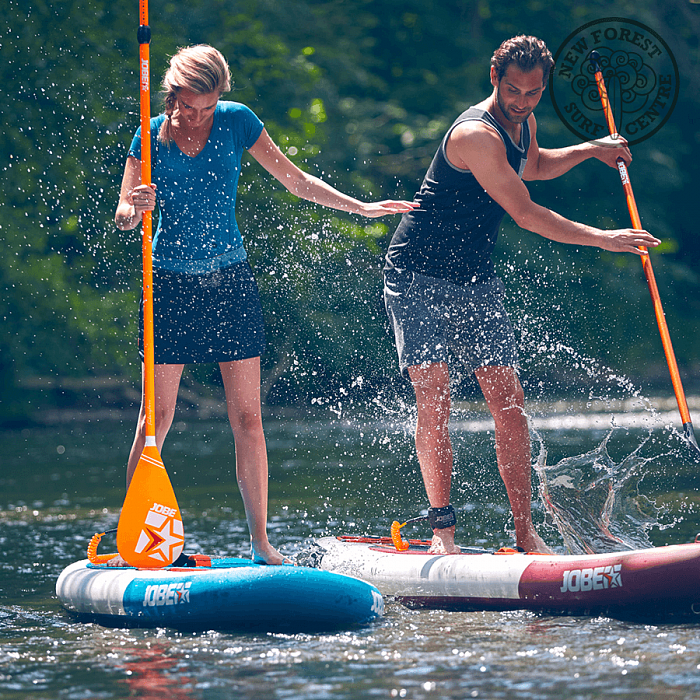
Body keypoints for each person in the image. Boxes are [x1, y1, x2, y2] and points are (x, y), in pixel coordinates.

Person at [115, 44, 416, 565]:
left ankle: (260, 543)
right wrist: (133, 206)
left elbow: (297, 181)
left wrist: (360, 206)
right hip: (168, 284)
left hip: (230, 282)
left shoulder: (238, 123)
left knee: (248, 418)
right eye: (191, 105)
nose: (199, 115)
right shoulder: (149, 133)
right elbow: (124, 213)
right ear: (173, 94)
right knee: (154, 420)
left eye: (209, 107)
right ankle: (138, 540)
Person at [383, 35, 660, 555]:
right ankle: (444, 531)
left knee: (509, 404)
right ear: (495, 79)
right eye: (513, 90)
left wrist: (588, 150)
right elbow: (527, 211)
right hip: (417, 273)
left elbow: (531, 166)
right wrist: (606, 238)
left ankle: (524, 532)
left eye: (533, 93)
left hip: (474, 276)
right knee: (435, 396)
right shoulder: (475, 136)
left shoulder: (524, 120)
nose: (522, 101)